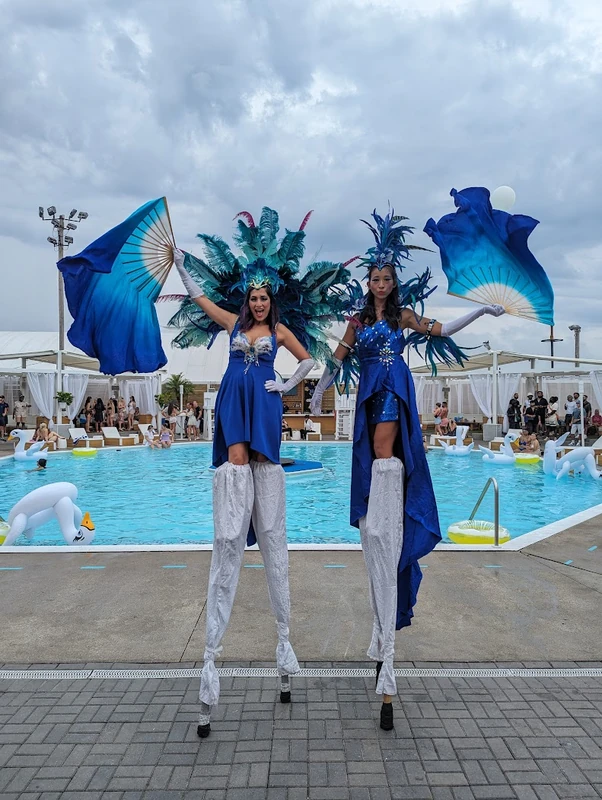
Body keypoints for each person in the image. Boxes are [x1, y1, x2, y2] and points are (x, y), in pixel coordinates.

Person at [310, 209, 505, 731]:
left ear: (394, 284)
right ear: (367, 283)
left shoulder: (400, 319)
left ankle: (391, 507)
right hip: (369, 394)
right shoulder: (358, 321)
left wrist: (479, 316)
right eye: (374, 278)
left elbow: (439, 330)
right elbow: (336, 360)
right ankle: (380, 510)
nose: (379, 284)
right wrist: (315, 389)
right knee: (372, 453)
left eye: (386, 278)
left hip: (394, 392)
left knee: (386, 452)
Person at [173, 213, 325, 739]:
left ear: (271, 300)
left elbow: (316, 365)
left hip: (263, 409)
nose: (258, 304)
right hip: (232, 408)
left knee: (263, 483)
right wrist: (180, 268)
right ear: (247, 300)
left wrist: (285, 386)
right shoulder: (234, 326)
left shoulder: (279, 331)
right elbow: (200, 303)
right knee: (235, 478)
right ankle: (212, 659)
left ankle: (283, 644)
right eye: (253, 298)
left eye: (264, 298)